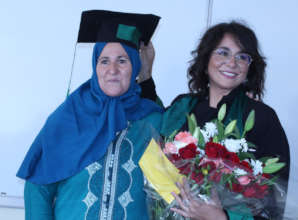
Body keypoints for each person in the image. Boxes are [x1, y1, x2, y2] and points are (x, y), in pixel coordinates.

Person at [16, 10, 164, 220]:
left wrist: (147, 76)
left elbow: (168, 188)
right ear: (95, 66)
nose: (112, 69)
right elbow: (37, 188)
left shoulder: (151, 120)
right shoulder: (69, 117)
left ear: (135, 66)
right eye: (104, 61)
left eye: (122, 60)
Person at [141, 21, 290, 220]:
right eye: (223, 52)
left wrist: (223, 217)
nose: (232, 63)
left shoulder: (261, 118)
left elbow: (273, 201)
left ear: (249, 67)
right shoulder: (182, 107)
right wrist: (145, 77)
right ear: (206, 58)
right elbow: (151, 130)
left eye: (242, 57)